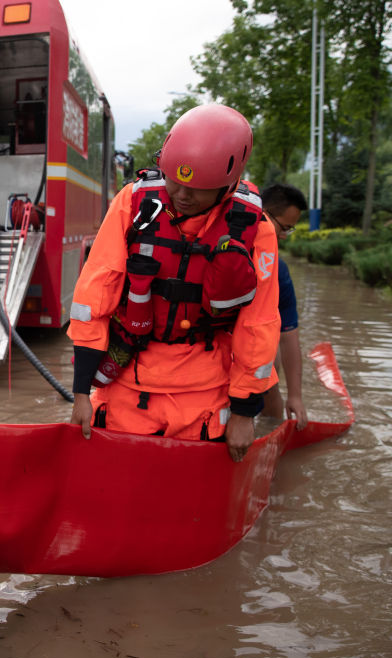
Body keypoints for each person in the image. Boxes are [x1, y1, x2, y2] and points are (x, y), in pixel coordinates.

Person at [67, 104, 280, 462]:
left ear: (228, 186)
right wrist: (80, 392)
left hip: (205, 394)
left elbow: (257, 326)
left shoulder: (255, 230)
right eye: (173, 181)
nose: (180, 194)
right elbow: (94, 296)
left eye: (196, 189)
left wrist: (244, 414)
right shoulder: (132, 203)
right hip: (125, 385)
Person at [261, 183, 308, 429]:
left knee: (270, 360)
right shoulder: (225, 253)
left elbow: (288, 335)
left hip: (255, 354)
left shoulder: (278, 270)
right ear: (262, 214)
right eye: (284, 228)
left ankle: (270, 430)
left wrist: (295, 396)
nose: (283, 236)